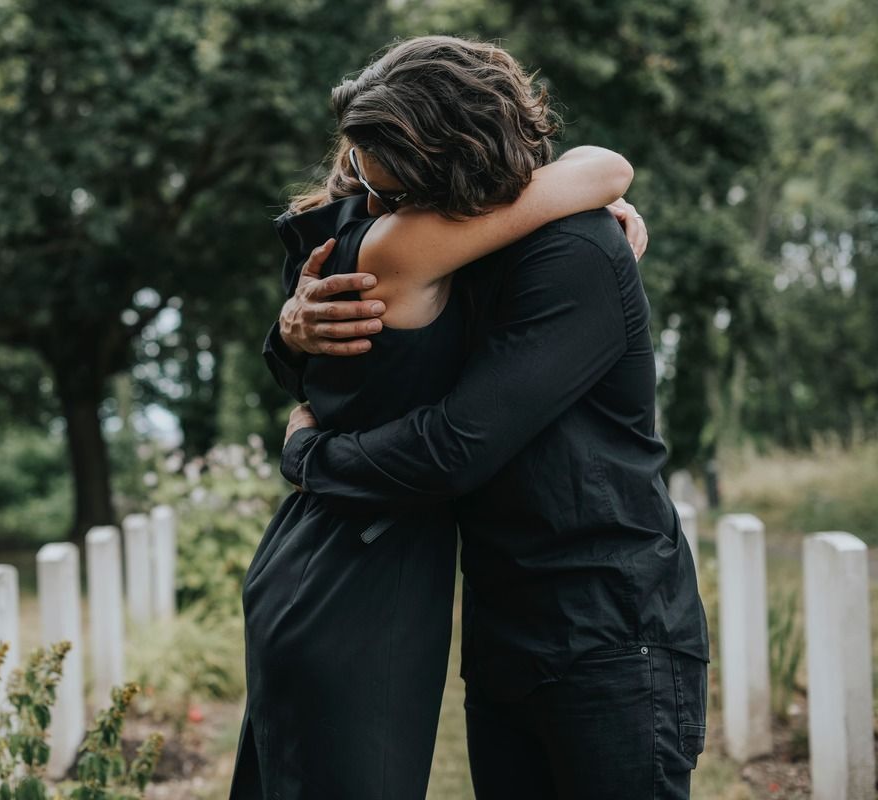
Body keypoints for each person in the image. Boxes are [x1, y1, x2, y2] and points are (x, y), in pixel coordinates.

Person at [273, 42, 709, 800]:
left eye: (394, 187)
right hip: (506, 631)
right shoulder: (462, 251)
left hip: (612, 635)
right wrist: (289, 328)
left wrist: (310, 456)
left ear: (453, 155)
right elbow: (361, 364)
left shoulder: (575, 249)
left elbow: (451, 448)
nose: (378, 210)